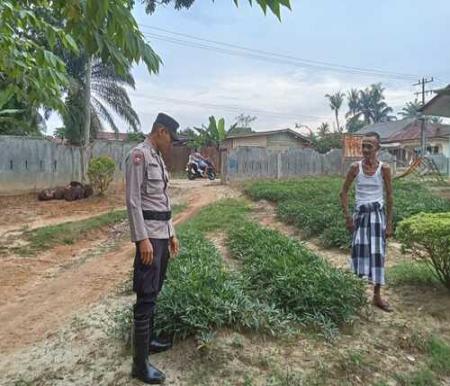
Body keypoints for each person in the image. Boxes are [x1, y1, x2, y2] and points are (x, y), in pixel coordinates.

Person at [125, 112, 181, 384]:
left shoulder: (157, 157)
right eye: (170, 137)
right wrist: (142, 239)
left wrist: (172, 232)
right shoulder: (140, 155)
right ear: (160, 131)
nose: (171, 143)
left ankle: (148, 343)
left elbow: (162, 199)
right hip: (148, 239)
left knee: (155, 290)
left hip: (161, 235)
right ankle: (139, 365)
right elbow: (134, 200)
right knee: (146, 296)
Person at [340, 132, 394, 312]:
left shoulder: (384, 169)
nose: (365, 150)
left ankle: (377, 296)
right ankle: (356, 293)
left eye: (369, 146)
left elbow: (389, 195)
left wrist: (389, 222)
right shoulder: (355, 168)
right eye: (363, 146)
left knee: (378, 255)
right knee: (358, 253)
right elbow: (344, 192)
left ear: (377, 148)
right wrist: (348, 217)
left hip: (377, 217)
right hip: (360, 218)